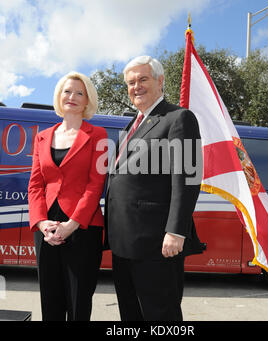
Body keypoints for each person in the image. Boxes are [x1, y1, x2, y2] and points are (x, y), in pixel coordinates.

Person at [105, 56, 205, 321]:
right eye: (130, 82)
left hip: (156, 244)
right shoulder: (131, 125)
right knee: (130, 314)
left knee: (160, 315)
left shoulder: (178, 118)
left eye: (143, 79)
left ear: (160, 81)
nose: (135, 86)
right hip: (124, 241)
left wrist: (176, 230)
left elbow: (187, 177)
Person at [28, 71, 108, 321]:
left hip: (82, 228)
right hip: (47, 229)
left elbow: (96, 186)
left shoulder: (99, 135)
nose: (72, 96)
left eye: (79, 93)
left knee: (78, 303)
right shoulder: (41, 137)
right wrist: (41, 223)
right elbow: (35, 185)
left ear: (87, 101)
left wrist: (72, 225)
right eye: (67, 91)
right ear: (59, 96)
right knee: (50, 301)